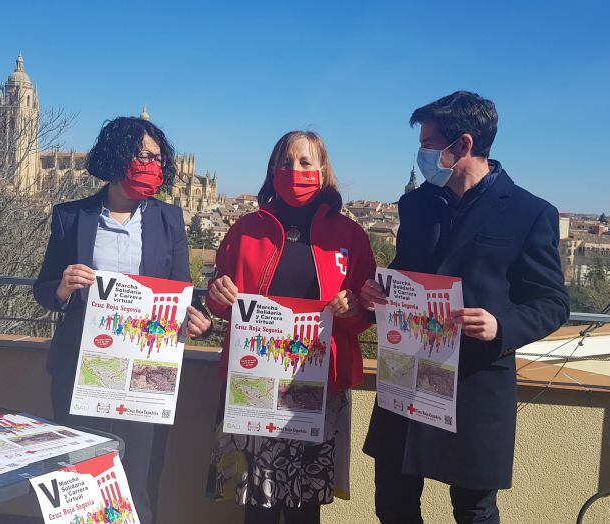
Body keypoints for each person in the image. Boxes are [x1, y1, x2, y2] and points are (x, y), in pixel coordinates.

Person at [360, 91, 570, 523]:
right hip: (409, 375)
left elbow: (552, 302)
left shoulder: (531, 213)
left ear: (464, 146)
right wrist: (378, 294)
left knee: (474, 511)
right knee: (393, 505)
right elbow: (406, 271)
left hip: (475, 384)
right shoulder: (416, 205)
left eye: (430, 144)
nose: (422, 154)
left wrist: (501, 325)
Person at [33, 116, 212, 524]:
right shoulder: (71, 216)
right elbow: (44, 289)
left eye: (157, 157)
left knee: (139, 485)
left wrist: (193, 320)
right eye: (142, 155)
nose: (152, 164)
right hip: (80, 372)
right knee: (82, 484)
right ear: (116, 157)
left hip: (147, 378)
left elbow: (180, 292)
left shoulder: (169, 218)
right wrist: (62, 288)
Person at [204, 131, 376, 524]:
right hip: (254, 384)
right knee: (256, 506)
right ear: (272, 170)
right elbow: (221, 303)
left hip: (320, 389)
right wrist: (218, 296)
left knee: (306, 510)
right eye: (285, 162)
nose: (294, 171)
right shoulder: (244, 230)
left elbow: (368, 314)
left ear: (322, 170)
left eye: (304, 162)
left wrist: (351, 311)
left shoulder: (351, 236)